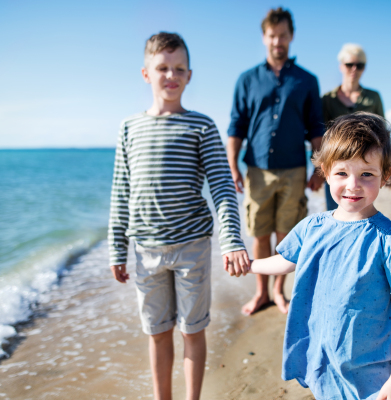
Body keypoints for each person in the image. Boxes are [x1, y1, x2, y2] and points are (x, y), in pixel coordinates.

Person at [249, 112, 391, 399]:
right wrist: (249, 265)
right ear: (324, 170)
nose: (353, 185)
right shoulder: (312, 227)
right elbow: (287, 261)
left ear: (385, 175)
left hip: (372, 376)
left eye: (367, 174)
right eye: (342, 173)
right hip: (324, 362)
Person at [108, 32, 250, 400]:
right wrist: (116, 248)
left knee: (192, 330)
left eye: (178, 69)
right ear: (146, 73)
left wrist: (232, 240)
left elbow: (221, 186)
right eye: (162, 68)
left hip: (192, 249)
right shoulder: (129, 128)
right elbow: (121, 192)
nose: (170, 75)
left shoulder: (201, 126)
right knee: (157, 332)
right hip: (145, 251)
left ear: (189, 75)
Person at [227, 7, 324, 316]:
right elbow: (235, 127)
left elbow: (316, 130)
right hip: (256, 170)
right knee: (259, 234)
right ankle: (260, 293)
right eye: (272, 35)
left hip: (295, 169)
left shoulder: (307, 81)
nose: (277, 41)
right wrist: (232, 167)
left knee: (286, 234)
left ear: (291, 37)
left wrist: (319, 167)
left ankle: (279, 291)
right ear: (264, 37)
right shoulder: (247, 80)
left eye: (283, 35)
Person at [322, 43, 386, 210]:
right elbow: (321, 137)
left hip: (365, 168)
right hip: (338, 167)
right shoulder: (327, 100)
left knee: (362, 211)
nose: (354, 69)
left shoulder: (373, 98)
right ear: (341, 66)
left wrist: (385, 167)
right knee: (334, 212)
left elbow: (383, 135)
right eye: (350, 64)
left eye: (360, 65)